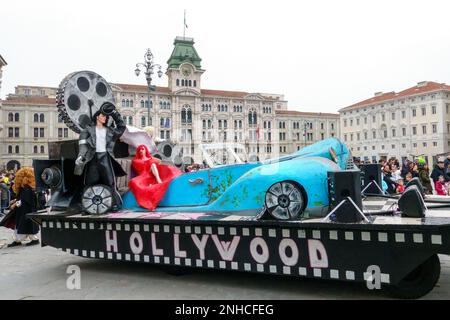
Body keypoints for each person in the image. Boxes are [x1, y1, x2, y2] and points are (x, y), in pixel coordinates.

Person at [74, 102, 127, 212]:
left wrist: (114, 113)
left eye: (106, 116)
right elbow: (83, 146)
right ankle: (86, 206)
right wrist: (81, 156)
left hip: (105, 158)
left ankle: (115, 204)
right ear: (97, 116)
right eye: (103, 115)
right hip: (93, 158)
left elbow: (122, 127)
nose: (105, 118)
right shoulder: (87, 130)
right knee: (89, 182)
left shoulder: (110, 131)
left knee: (110, 183)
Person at [128, 145, 182, 211]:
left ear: (146, 150)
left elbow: (159, 161)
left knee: (153, 165)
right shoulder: (136, 161)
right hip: (143, 175)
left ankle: (158, 179)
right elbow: (140, 168)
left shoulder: (150, 159)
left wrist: (150, 159)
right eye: (139, 150)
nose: (141, 151)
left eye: (142, 149)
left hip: (151, 174)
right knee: (133, 182)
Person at [6, 167, 40, 247]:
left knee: (24, 226)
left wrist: (15, 204)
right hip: (26, 211)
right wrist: (15, 201)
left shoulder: (27, 189)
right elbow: (22, 199)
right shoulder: (27, 188)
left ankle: (21, 240)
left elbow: (24, 201)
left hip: (26, 211)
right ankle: (20, 240)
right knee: (26, 226)